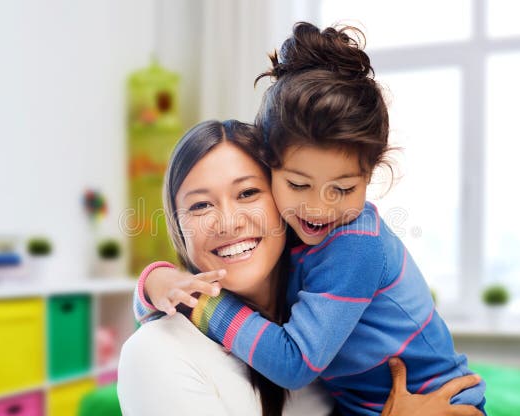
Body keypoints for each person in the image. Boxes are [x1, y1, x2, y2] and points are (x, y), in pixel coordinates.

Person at [135, 23, 486, 415]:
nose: (319, 208)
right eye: (299, 185)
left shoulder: (355, 242)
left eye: (344, 189)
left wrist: (198, 303)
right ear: (271, 167)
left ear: (371, 177)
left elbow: (293, 363)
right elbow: (155, 310)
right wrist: (157, 283)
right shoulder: (295, 238)